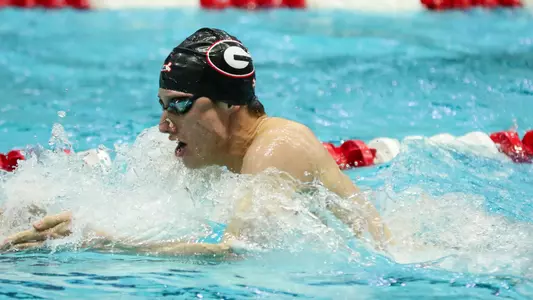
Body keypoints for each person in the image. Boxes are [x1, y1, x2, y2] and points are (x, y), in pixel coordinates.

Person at [1, 28, 393, 256]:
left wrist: (103, 242)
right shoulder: (210, 155)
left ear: (229, 103)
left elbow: (238, 252)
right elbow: (133, 204)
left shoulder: (279, 147)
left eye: (180, 106)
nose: (163, 126)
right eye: (163, 107)